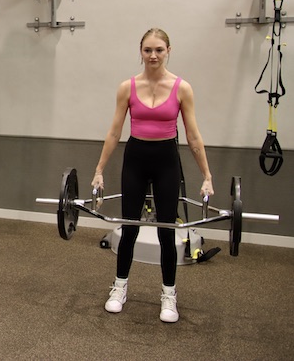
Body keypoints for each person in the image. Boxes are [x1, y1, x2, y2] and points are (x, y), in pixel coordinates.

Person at [91, 27, 214, 323]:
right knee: (130, 226)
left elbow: (194, 137)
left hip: (166, 161)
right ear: (141, 52)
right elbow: (114, 132)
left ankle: (169, 294)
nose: (153, 55)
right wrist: (98, 170)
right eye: (148, 50)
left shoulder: (182, 88)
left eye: (159, 49)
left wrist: (207, 175)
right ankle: (119, 287)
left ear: (168, 51)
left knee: (166, 230)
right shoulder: (127, 87)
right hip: (135, 159)